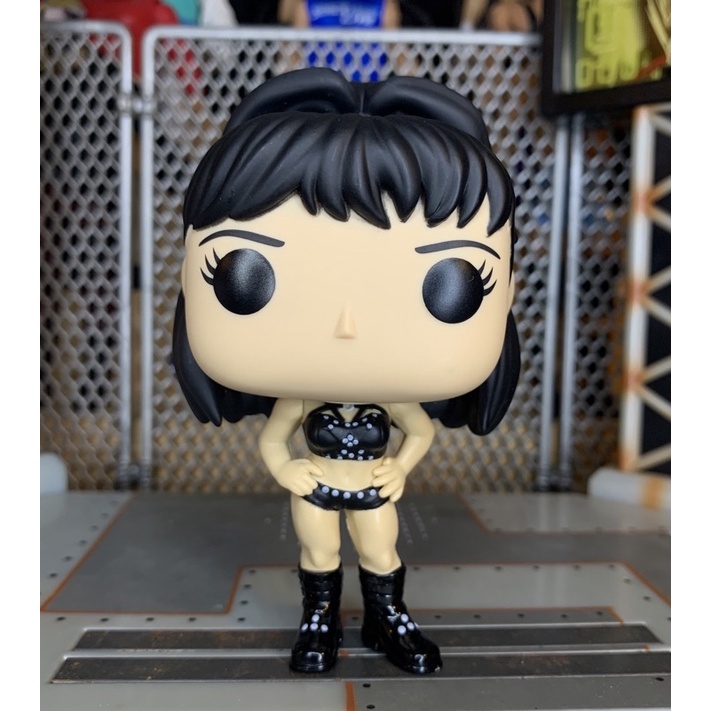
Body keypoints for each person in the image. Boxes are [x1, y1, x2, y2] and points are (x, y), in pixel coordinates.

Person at [173, 67, 520, 675]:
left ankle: (389, 616)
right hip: (317, 485)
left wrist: (400, 467)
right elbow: (275, 438)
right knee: (319, 551)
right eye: (242, 275)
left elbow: (419, 431)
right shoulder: (304, 400)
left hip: (371, 485)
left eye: (455, 285)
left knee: (381, 551)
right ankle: (319, 619)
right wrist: (288, 469)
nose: (347, 326)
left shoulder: (391, 400)